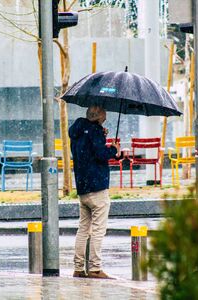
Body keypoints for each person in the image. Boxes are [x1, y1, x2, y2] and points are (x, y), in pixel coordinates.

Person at [69, 105, 121, 279]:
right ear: (98, 116)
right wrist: (113, 149)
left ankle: (78, 268)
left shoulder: (77, 131)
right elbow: (100, 155)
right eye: (104, 115)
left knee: (83, 229)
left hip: (83, 187)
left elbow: (87, 151)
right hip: (97, 187)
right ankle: (95, 268)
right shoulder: (95, 131)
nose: (105, 118)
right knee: (98, 230)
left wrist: (100, 136)